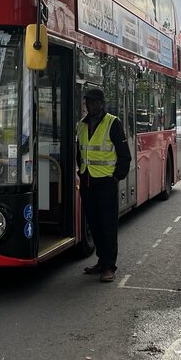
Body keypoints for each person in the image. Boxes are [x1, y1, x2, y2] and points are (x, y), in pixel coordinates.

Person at [76, 87, 132, 283]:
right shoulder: (82, 125)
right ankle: (101, 260)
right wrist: (80, 172)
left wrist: (116, 177)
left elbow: (124, 155)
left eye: (93, 102)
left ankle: (109, 266)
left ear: (101, 103)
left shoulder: (112, 123)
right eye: (87, 102)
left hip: (106, 183)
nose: (90, 105)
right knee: (94, 224)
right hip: (87, 182)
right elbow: (80, 151)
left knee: (108, 226)